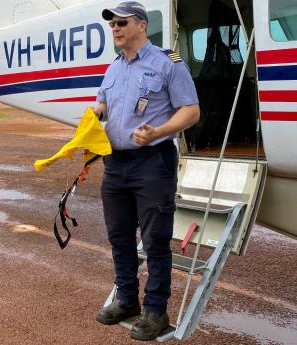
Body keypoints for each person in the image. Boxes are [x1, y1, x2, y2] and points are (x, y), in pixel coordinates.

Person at [93, 1, 200, 341]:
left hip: (152, 163)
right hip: (116, 165)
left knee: (154, 240)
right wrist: (95, 115)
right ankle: (126, 299)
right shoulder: (113, 68)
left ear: (141, 25)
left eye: (121, 22)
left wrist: (158, 132)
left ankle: (155, 310)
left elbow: (191, 110)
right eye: (112, 24)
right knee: (120, 237)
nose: (115, 28)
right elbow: (103, 105)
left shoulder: (166, 63)